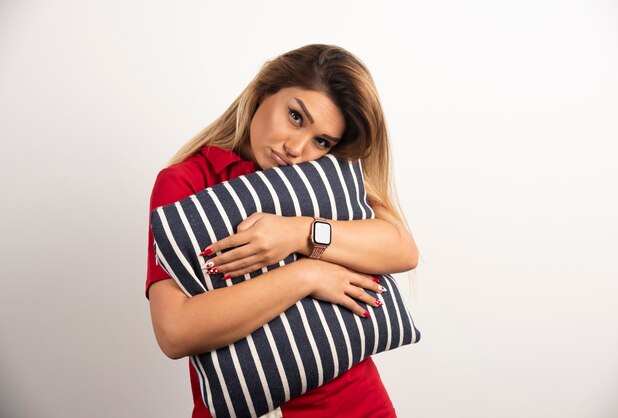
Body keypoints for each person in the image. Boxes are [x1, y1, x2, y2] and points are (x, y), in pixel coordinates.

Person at [146, 44, 418, 418]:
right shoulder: (186, 182)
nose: (296, 148)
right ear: (262, 93)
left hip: (354, 405)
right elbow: (175, 332)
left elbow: (402, 249)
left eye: (322, 141)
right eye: (295, 116)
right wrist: (307, 274)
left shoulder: (326, 177)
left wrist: (300, 233)